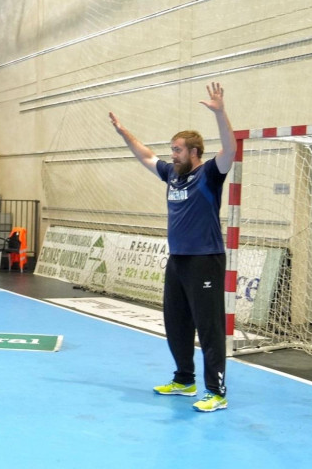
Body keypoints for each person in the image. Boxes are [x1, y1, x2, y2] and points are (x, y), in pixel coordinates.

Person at [108, 81, 236, 413]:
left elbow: (230, 150)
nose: (172, 154)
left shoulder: (209, 174)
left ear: (194, 152)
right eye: (172, 149)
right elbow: (146, 155)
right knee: (175, 322)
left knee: (208, 327)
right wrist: (125, 133)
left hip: (205, 260)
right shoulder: (173, 176)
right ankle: (184, 380)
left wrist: (220, 114)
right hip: (178, 260)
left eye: (177, 149)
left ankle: (216, 392)